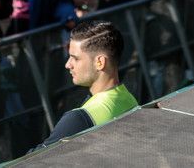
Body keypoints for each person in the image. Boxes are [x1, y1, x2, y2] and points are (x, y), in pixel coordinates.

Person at [33, 21, 138, 150]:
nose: (68, 64)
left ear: (100, 62)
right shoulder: (130, 99)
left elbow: (31, 159)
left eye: (75, 58)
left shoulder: (78, 119)